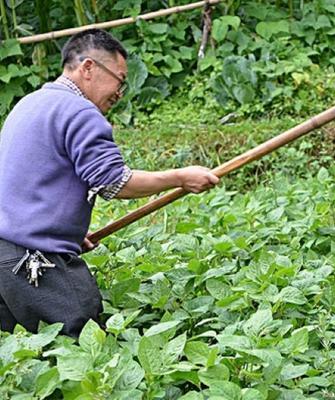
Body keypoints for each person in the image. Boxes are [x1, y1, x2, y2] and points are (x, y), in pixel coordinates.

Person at [0, 29, 219, 337]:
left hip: (5, 258)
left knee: (24, 357)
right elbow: (115, 183)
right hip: (34, 258)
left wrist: (65, 229)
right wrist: (180, 177)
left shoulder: (29, 104)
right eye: (119, 79)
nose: (120, 92)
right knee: (85, 341)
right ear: (88, 68)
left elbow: (25, 182)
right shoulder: (78, 110)